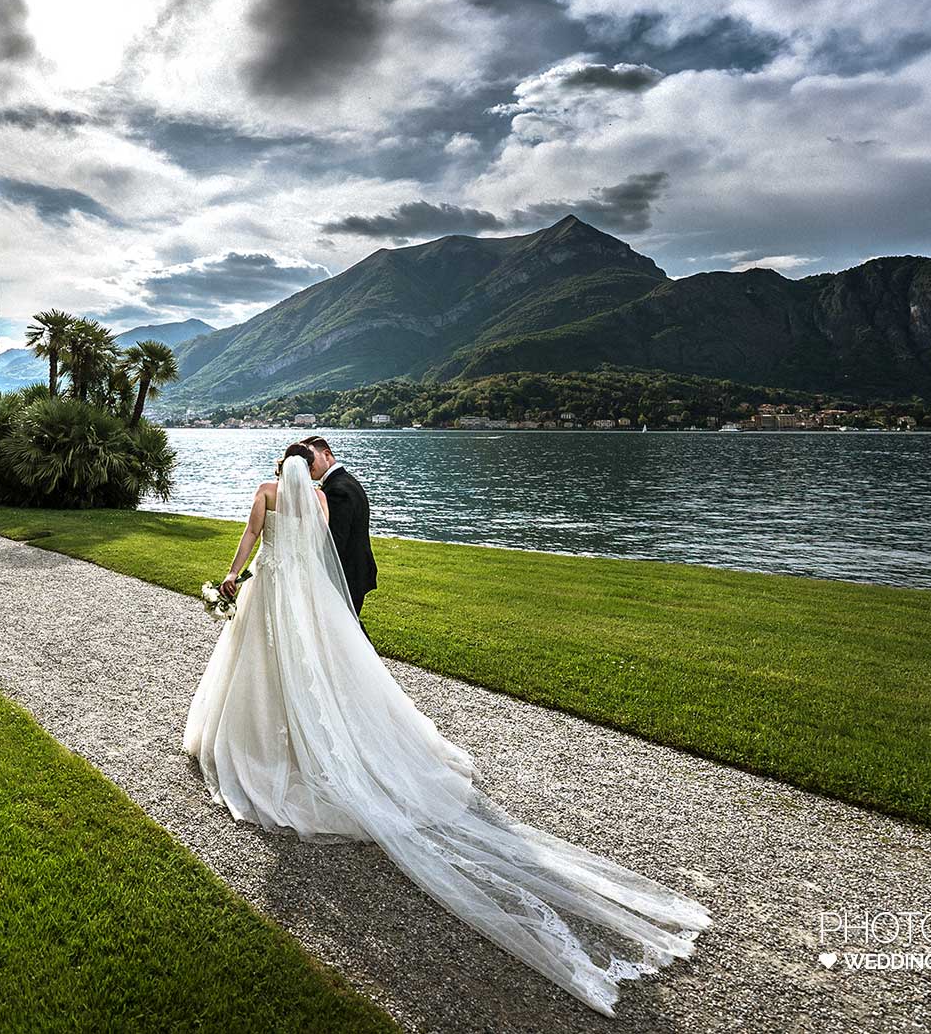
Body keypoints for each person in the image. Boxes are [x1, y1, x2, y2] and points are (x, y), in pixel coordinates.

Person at [183, 445, 709, 1016]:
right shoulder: (315, 497)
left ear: (274, 469)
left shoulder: (265, 494)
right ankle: (318, 739)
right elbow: (319, 552)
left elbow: (251, 543)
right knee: (318, 674)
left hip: (270, 591)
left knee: (261, 667)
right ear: (304, 468)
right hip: (305, 595)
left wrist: (235, 577)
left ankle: (264, 741)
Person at [301, 435, 376, 616]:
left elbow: (335, 541)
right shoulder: (347, 481)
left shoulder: (337, 491)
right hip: (356, 571)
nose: (308, 464)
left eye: (311, 458)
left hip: (345, 575)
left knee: (343, 632)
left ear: (326, 454)